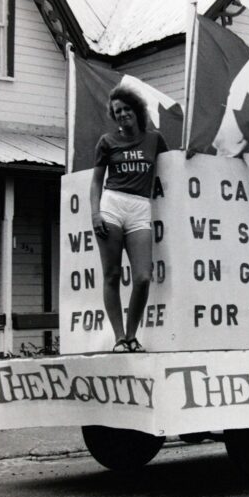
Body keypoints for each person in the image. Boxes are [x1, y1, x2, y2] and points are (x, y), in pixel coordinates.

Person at [89, 85, 168, 352]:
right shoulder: (107, 141)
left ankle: (133, 335)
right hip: (112, 204)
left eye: (126, 109)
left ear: (137, 110)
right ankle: (120, 338)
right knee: (112, 274)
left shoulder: (154, 140)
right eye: (117, 111)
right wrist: (95, 213)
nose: (122, 114)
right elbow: (96, 181)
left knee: (143, 276)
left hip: (140, 207)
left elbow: (173, 165)